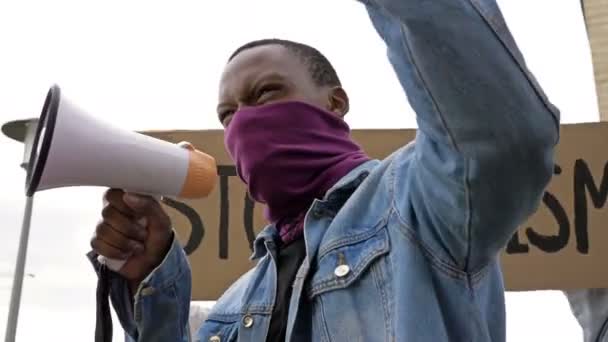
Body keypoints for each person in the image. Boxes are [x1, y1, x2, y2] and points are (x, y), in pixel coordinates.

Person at [89, 0, 560, 341]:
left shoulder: (417, 203)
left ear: (335, 103)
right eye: (228, 115)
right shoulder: (236, 306)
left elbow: (501, 138)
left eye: (266, 93)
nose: (245, 123)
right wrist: (148, 278)